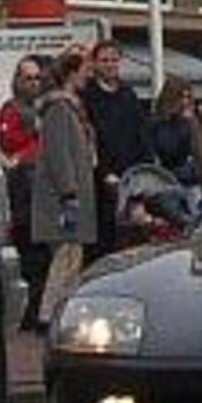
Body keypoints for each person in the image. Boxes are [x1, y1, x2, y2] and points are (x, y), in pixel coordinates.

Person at [32, 47, 99, 328]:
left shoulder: (70, 107)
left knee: (72, 257)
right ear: (73, 72)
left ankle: (61, 311)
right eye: (85, 69)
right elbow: (58, 154)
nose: (89, 75)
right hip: (65, 199)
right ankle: (49, 315)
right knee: (64, 257)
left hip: (72, 195)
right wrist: (69, 192)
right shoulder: (60, 109)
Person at [80, 40, 150, 248]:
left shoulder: (128, 94)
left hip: (130, 178)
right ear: (94, 63)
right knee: (104, 240)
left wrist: (142, 170)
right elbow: (89, 139)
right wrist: (104, 172)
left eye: (114, 60)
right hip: (100, 181)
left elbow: (141, 135)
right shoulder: (88, 96)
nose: (110, 65)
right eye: (104, 60)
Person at [0, 59, 49, 330]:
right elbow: (10, 145)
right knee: (29, 254)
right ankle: (28, 313)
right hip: (23, 192)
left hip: (42, 191)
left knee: (43, 257)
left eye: (37, 78)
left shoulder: (43, 108)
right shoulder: (11, 109)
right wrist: (33, 144)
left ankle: (38, 308)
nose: (33, 83)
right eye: (28, 78)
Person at [147, 75, 202, 193]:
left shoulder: (192, 121)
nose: (185, 102)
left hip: (192, 181)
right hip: (169, 183)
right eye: (181, 97)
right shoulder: (159, 124)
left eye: (188, 97)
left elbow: (199, 156)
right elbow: (169, 151)